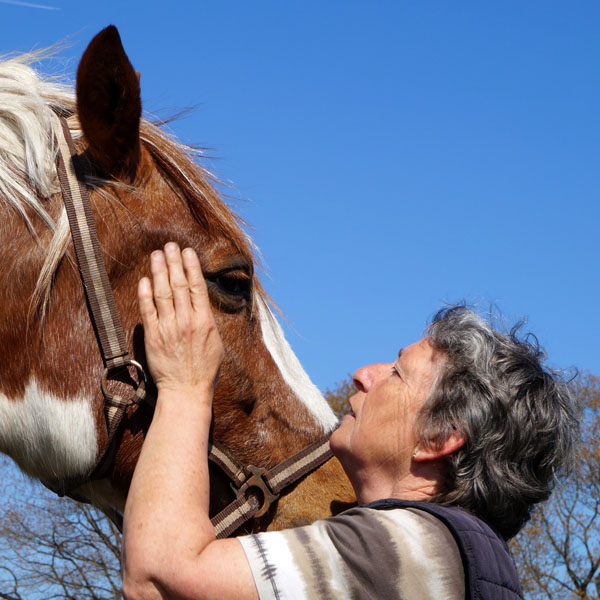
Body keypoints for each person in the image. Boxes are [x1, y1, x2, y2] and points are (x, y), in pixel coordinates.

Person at [122, 243, 579, 600]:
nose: (363, 374)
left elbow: (159, 579)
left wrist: (184, 387)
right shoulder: (465, 556)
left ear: (439, 436)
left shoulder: (406, 549)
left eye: (397, 373)